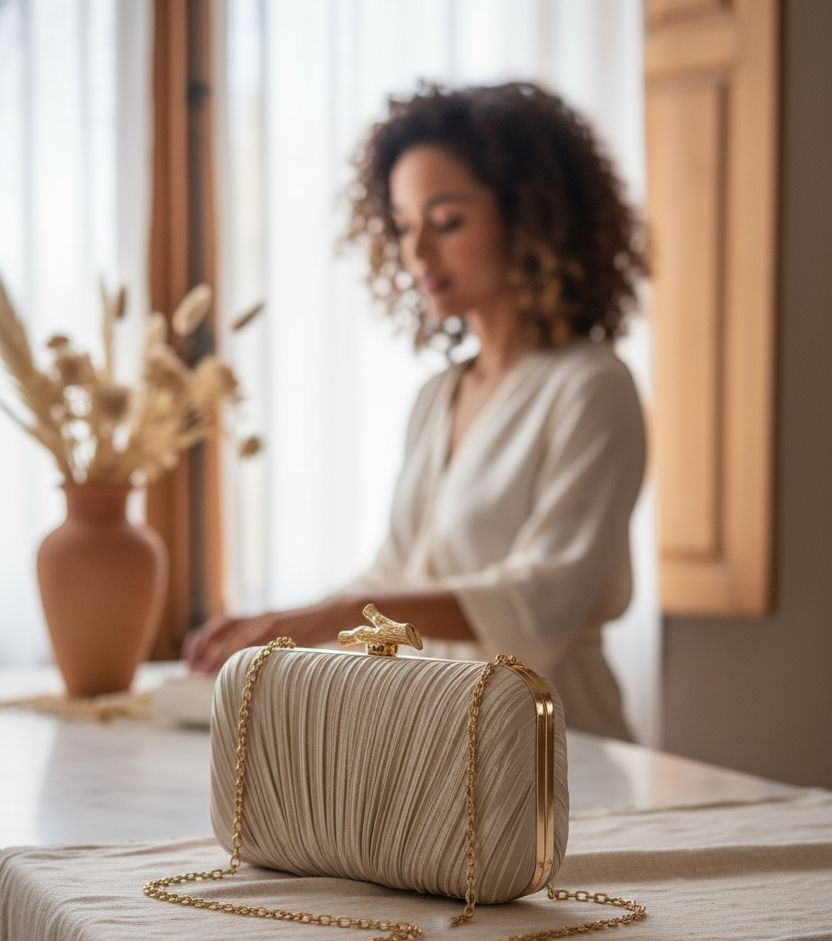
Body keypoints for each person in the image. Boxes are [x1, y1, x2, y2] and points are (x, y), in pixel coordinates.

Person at [186, 81, 650, 740]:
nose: (416, 252)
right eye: (404, 226)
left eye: (447, 221)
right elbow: (396, 574)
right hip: (444, 746)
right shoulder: (438, 397)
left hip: (556, 745)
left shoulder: (592, 387)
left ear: (529, 220)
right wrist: (279, 632)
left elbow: (546, 598)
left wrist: (333, 616)